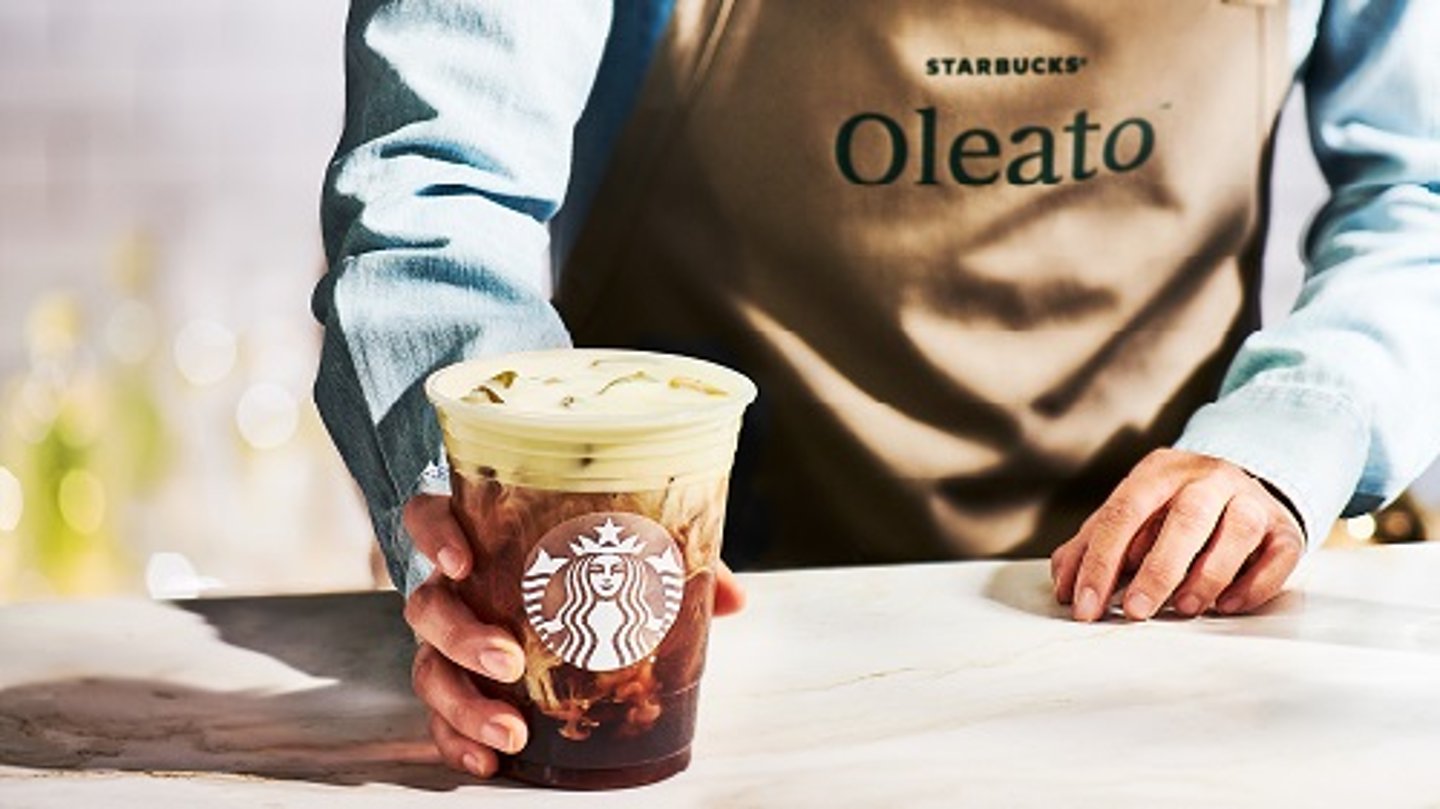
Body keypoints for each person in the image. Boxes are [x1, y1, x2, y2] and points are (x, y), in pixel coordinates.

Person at [313, 0, 1440, 777]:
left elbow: (1421, 190)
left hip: (1184, 654)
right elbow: (433, 192)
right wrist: (497, 521)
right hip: (697, 653)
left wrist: (1298, 430)